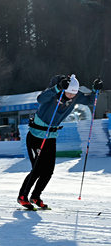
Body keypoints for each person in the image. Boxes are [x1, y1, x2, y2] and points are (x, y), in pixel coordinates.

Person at [18, 75, 102, 210]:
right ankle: (22, 196)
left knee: (48, 171)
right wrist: (57, 88)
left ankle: (36, 196)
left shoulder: (75, 96)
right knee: (37, 169)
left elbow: (90, 101)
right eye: (69, 92)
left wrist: (95, 90)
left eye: (74, 93)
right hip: (36, 136)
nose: (71, 96)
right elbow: (40, 99)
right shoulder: (53, 94)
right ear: (64, 89)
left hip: (50, 137)